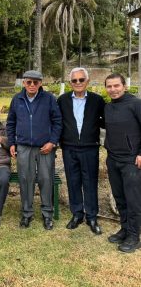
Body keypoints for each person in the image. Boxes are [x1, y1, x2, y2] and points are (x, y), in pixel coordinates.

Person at [6, 70, 62, 230]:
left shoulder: (49, 99)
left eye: (35, 82)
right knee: (25, 180)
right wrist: (11, 142)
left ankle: (47, 215)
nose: (32, 85)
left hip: (45, 147)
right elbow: (11, 123)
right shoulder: (17, 99)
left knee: (46, 180)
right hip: (23, 147)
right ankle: (26, 214)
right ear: (23, 83)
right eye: (29, 82)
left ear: (41, 83)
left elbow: (57, 121)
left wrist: (52, 142)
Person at [57, 68, 105, 235]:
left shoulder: (97, 100)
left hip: (90, 148)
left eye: (81, 79)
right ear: (70, 83)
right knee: (73, 181)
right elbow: (57, 122)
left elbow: (107, 122)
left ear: (88, 81)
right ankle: (77, 214)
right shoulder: (62, 100)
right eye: (74, 80)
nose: (78, 83)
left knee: (90, 182)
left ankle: (92, 216)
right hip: (69, 148)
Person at [104, 73, 141, 253]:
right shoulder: (108, 108)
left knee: (133, 200)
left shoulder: (136, 104)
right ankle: (125, 229)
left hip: (131, 160)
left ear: (124, 86)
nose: (113, 89)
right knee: (120, 198)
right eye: (109, 86)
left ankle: (134, 236)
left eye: (116, 86)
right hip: (113, 159)